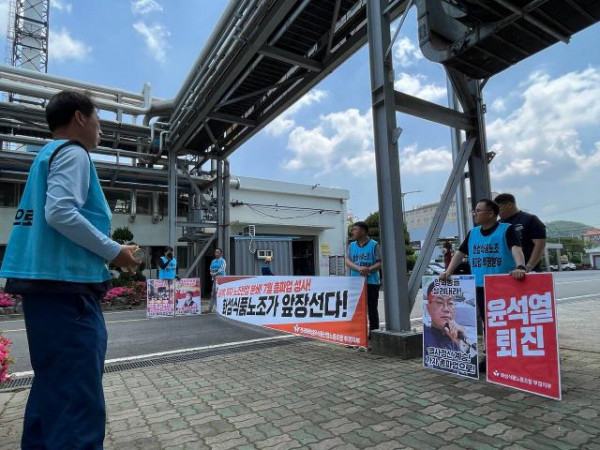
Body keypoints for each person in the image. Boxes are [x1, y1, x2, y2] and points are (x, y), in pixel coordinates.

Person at [0, 90, 139, 449]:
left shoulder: (45, 155)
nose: (100, 130)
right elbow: (60, 212)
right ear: (79, 117)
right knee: (77, 400)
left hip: (44, 289)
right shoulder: (74, 152)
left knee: (52, 390)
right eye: (98, 120)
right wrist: (115, 252)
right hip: (68, 291)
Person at [440, 199, 526, 372]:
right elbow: (460, 253)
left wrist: (520, 267)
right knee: (488, 323)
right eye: (475, 211)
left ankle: (515, 357)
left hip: (503, 285)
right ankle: (492, 357)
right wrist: (448, 271)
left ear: (491, 213)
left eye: (478, 210)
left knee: (508, 323)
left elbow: (516, 249)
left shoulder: (506, 229)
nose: (475, 214)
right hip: (480, 286)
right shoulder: (473, 233)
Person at [345, 221, 382, 338]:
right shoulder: (351, 246)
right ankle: (357, 335)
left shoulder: (374, 244)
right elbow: (347, 261)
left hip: (371, 282)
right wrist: (358, 268)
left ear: (363, 231)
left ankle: (374, 335)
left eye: (355, 229)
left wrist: (369, 269)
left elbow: (380, 262)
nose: (353, 231)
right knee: (356, 311)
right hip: (355, 283)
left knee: (372, 310)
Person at [494, 193, 546, 272]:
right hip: (506, 271)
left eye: (499, 208)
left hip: (527, 271)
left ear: (509, 205)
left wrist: (529, 266)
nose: (497, 212)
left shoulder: (530, 219)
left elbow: (540, 244)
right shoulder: (499, 224)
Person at [423, 281, 465, 352]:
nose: (446, 309)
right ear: (428, 308)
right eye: (439, 302)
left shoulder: (456, 339)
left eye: (450, 303)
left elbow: (471, 360)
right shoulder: (426, 336)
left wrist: (461, 339)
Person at [209, 247, 227, 313]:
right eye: (215, 252)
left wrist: (214, 273)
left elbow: (222, 269)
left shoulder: (223, 261)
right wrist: (212, 273)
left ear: (221, 253)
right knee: (213, 293)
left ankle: (219, 307)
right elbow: (211, 268)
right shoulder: (213, 261)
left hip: (221, 278)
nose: (216, 253)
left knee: (220, 293)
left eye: (218, 252)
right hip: (214, 278)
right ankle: (210, 308)